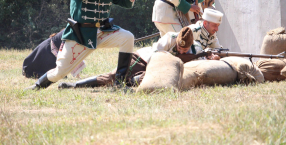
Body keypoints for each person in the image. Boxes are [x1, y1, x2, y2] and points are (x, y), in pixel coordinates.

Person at [26, 0, 141, 90]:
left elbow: (126, 3)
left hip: (103, 31)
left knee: (127, 37)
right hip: (80, 35)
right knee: (60, 72)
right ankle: (37, 86)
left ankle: (119, 84)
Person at [58, 26, 204, 89]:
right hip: (143, 60)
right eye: (180, 48)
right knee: (113, 77)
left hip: (153, 72)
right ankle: (75, 85)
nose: (182, 52)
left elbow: (201, 66)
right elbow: (155, 55)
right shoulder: (169, 38)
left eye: (185, 50)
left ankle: (129, 83)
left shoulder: (197, 49)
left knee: (148, 81)